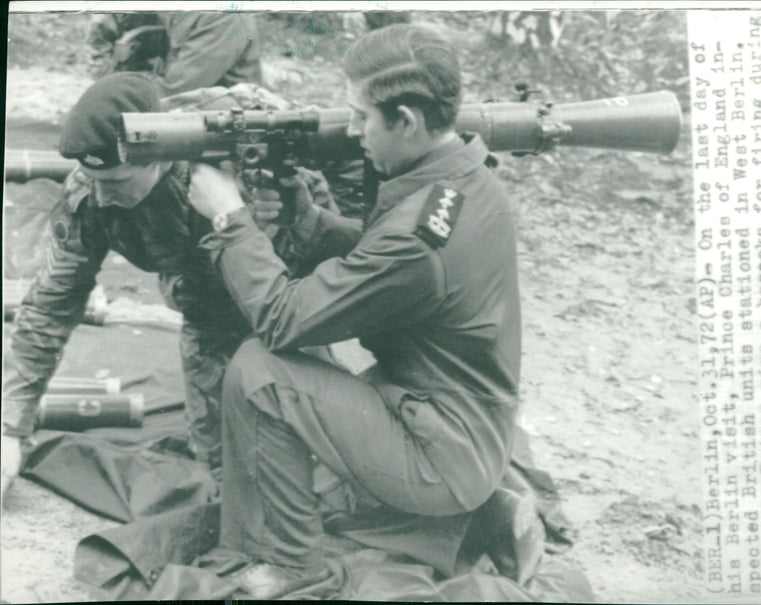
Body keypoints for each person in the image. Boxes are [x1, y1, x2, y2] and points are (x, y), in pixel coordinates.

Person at [186, 24, 522, 598]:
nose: (351, 130)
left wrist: (228, 218)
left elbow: (283, 317)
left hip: (440, 456)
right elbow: (386, 261)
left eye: (361, 117)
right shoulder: (462, 180)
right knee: (298, 355)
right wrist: (308, 220)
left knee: (260, 367)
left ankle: (290, 566)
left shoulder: (418, 240)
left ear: (408, 121)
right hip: (459, 426)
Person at [0, 72, 309, 499]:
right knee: (224, 472)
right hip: (208, 310)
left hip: (293, 306)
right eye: (95, 182)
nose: (103, 199)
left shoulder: (238, 165)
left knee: (303, 464)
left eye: (117, 183)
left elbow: (329, 250)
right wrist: (10, 428)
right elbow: (51, 304)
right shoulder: (88, 195)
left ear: (159, 158)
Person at [87, 12, 263, 95]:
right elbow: (104, 59)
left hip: (218, 126)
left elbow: (177, 90)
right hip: (157, 104)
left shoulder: (223, 15)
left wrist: (111, 101)